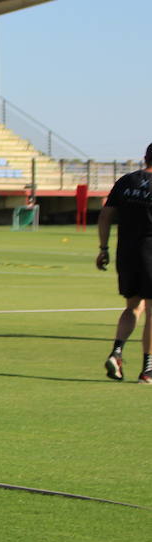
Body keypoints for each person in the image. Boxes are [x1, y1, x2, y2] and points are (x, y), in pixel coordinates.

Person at [96, 142, 152, 383]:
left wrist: (103, 248)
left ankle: (117, 351)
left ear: (145, 157)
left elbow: (106, 215)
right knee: (151, 311)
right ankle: (148, 369)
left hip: (126, 251)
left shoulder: (126, 181)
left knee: (132, 307)